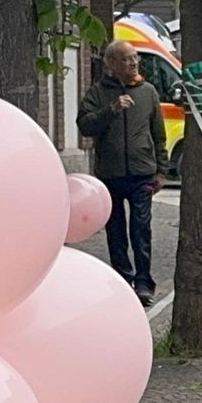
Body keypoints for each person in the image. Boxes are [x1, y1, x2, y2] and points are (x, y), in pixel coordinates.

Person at [78, 41, 169, 306]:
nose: (134, 62)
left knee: (141, 230)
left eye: (135, 57)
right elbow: (85, 125)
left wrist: (162, 171)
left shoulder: (148, 92)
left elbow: (159, 134)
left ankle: (144, 283)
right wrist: (112, 110)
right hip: (110, 174)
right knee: (115, 232)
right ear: (112, 64)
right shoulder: (97, 92)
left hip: (142, 173)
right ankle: (122, 278)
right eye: (127, 59)